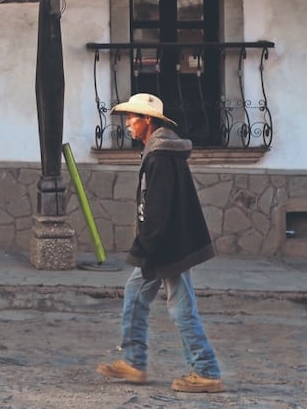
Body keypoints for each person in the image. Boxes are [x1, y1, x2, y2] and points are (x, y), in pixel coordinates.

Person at [95, 93, 225, 394]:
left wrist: (145, 247)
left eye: (133, 118)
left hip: (167, 248)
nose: (128, 123)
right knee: (136, 294)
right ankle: (134, 361)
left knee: (182, 308)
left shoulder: (161, 157)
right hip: (166, 246)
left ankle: (206, 370)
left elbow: (159, 209)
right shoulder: (158, 152)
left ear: (148, 121)